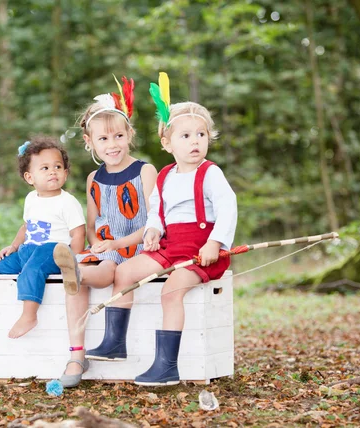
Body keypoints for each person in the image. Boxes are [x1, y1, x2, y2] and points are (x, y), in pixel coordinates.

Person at [100, 72, 238, 386]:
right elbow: (157, 212)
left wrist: (216, 242)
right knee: (124, 272)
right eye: (186, 136)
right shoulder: (165, 176)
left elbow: (228, 208)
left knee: (171, 290)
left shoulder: (210, 173)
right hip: (171, 246)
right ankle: (114, 342)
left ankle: (166, 365)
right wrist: (152, 231)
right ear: (167, 142)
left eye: (201, 135)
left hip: (203, 251)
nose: (195, 142)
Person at [52, 76, 158, 387]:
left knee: (114, 266)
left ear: (129, 135)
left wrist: (117, 242)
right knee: (105, 262)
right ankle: (76, 350)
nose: (112, 145)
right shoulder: (93, 179)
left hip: (140, 245)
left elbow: (155, 221)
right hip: (109, 247)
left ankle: (80, 275)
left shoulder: (144, 171)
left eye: (118, 136)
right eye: (103, 139)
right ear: (89, 142)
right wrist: (97, 243)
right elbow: (94, 223)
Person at [0, 136, 86, 338]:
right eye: (44, 168)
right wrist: (13, 246)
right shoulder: (31, 199)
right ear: (30, 178)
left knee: (33, 269)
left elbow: (78, 232)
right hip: (27, 249)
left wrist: (76, 259)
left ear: (65, 173)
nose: (53, 171)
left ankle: (29, 315)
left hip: (53, 251)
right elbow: (26, 226)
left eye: (57, 166)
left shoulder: (67, 202)